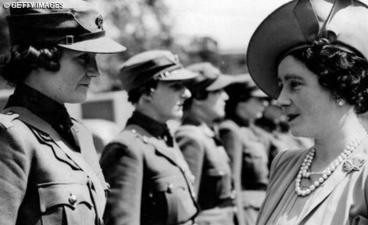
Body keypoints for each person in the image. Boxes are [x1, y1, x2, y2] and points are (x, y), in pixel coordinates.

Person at [246, 0, 368, 224]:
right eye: (281, 85)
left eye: (295, 84)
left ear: (339, 87)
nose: (280, 99)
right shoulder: (284, 164)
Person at [0, 0, 126, 224]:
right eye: (82, 58)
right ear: (42, 57)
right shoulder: (10, 138)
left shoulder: (80, 135)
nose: (95, 72)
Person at [100, 50, 199, 225]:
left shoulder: (163, 139)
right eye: (176, 86)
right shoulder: (127, 149)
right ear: (147, 93)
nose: (187, 94)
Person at [175, 62, 242, 225]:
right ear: (198, 96)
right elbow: (188, 205)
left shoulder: (207, 134)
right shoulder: (190, 137)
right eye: (217, 91)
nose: (225, 96)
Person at [221, 77, 273, 225]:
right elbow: (234, 180)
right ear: (241, 101)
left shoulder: (252, 131)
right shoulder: (231, 130)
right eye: (258, 99)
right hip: (246, 209)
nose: (265, 104)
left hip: (260, 206)